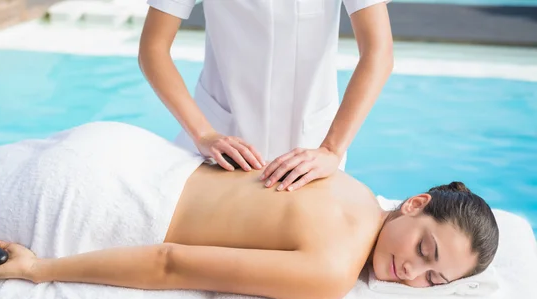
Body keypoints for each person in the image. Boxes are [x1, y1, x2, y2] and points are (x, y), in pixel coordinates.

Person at [0, 122, 499, 299]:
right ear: (416, 203)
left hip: (120, 143)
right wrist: (37, 270)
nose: (412, 273)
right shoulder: (332, 274)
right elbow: (170, 263)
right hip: (87, 196)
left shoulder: (348, 182)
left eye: (434, 278)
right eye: (424, 250)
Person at [138, 0, 394, 192]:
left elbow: (378, 53)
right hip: (219, 144)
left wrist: (331, 149)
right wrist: (203, 134)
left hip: (312, 151)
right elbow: (153, 48)